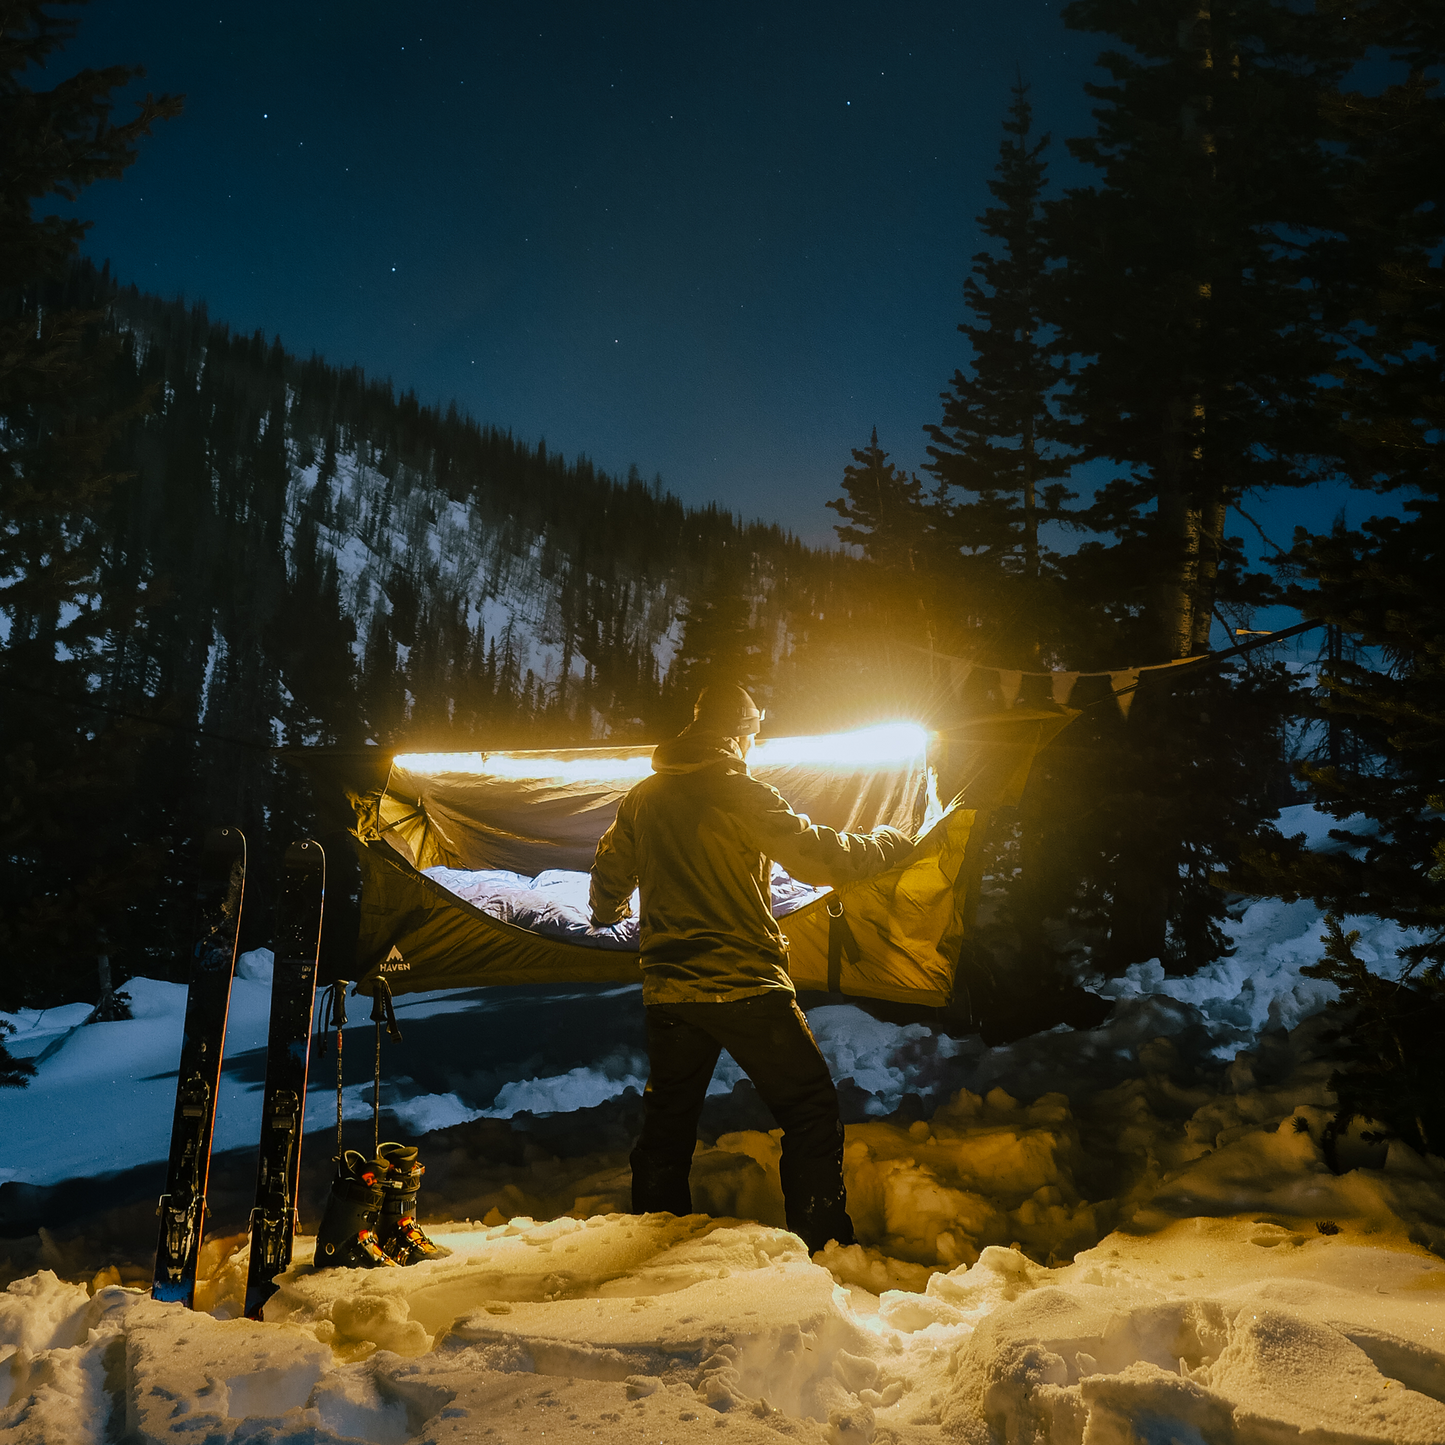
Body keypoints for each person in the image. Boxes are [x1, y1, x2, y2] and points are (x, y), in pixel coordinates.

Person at [588, 683, 909, 1253]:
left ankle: (656, 1241)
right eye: (752, 737)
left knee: (668, 1124)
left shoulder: (642, 797)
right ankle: (823, 1244)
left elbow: (610, 875)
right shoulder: (743, 793)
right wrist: (886, 843)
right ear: (739, 736)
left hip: (669, 990)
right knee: (810, 1111)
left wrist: (607, 911)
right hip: (745, 984)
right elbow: (818, 856)